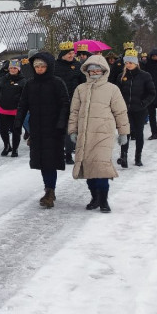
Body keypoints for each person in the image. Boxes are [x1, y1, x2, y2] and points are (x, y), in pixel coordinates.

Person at [68, 55, 130, 213]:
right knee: (88, 167)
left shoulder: (112, 89)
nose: (94, 72)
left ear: (104, 71)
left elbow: (121, 112)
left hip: (103, 133)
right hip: (85, 134)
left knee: (101, 166)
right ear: (87, 72)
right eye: (91, 70)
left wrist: (124, 133)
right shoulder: (80, 89)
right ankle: (94, 197)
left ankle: (103, 200)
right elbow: (74, 112)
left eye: (97, 69)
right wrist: (73, 130)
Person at [16, 51, 70, 209]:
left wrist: (61, 123)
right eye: (36, 66)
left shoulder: (57, 83)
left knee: (50, 162)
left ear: (49, 66)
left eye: (42, 66)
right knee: (41, 161)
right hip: (37, 128)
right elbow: (23, 104)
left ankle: (50, 191)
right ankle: (48, 187)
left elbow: (65, 104)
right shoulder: (30, 84)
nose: (39, 69)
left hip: (53, 129)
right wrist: (18, 122)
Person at [116, 43, 156, 168]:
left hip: (139, 110)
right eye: (126, 63)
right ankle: (124, 157)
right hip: (125, 110)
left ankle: (138, 157)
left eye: (131, 63)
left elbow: (152, 92)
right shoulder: (121, 76)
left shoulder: (145, 76)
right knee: (125, 133)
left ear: (136, 63)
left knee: (139, 133)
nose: (128, 65)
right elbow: (117, 93)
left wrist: (143, 103)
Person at [53, 41, 81, 165]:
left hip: (74, 101)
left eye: (72, 53)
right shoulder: (55, 66)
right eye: (69, 53)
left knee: (71, 128)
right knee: (60, 128)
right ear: (63, 54)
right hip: (58, 102)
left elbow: (83, 82)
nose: (71, 55)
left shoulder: (78, 65)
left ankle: (68, 153)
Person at [0, 60, 25, 157]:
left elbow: (26, 97)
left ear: (18, 69)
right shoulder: (2, 79)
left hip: (16, 110)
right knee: (3, 130)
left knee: (16, 131)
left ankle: (15, 149)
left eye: (15, 68)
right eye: (11, 68)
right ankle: (7, 146)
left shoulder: (23, 81)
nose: (13, 70)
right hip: (3, 109)